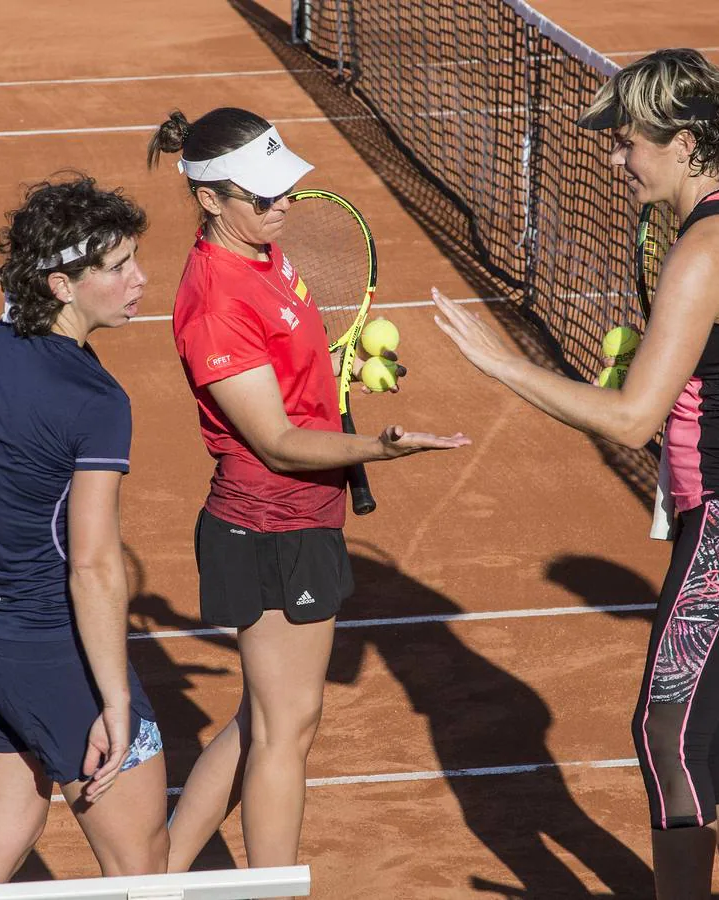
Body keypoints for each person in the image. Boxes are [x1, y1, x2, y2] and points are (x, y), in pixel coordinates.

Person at [432, 49, 719, 900]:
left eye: (629, 145)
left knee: (667, 729)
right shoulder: (716, 216)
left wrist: (503, 364)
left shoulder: (705, 247)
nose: (616, 160)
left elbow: (631, 420)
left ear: (683, 141)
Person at [145, 107, 469, 877]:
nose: (281, 204)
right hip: (268, 524)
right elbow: (278, 442)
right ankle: (271, 891)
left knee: (269, 720)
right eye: (262, 196)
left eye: (285, 186)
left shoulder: (262, 252)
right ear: (211, 200)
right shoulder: (215, 295)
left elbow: (288, 376)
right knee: (287, 726)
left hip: (301, 516)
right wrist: (381, 448)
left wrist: (341, 372)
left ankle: (156, 879)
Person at [0, 174, 168, 882]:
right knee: (143, 871)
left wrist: (9, 522)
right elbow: (92, 566)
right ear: (62, 285)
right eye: (117, 268)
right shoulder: (97, 401)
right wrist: (112, 701)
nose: (140, 279)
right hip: (59, 663)